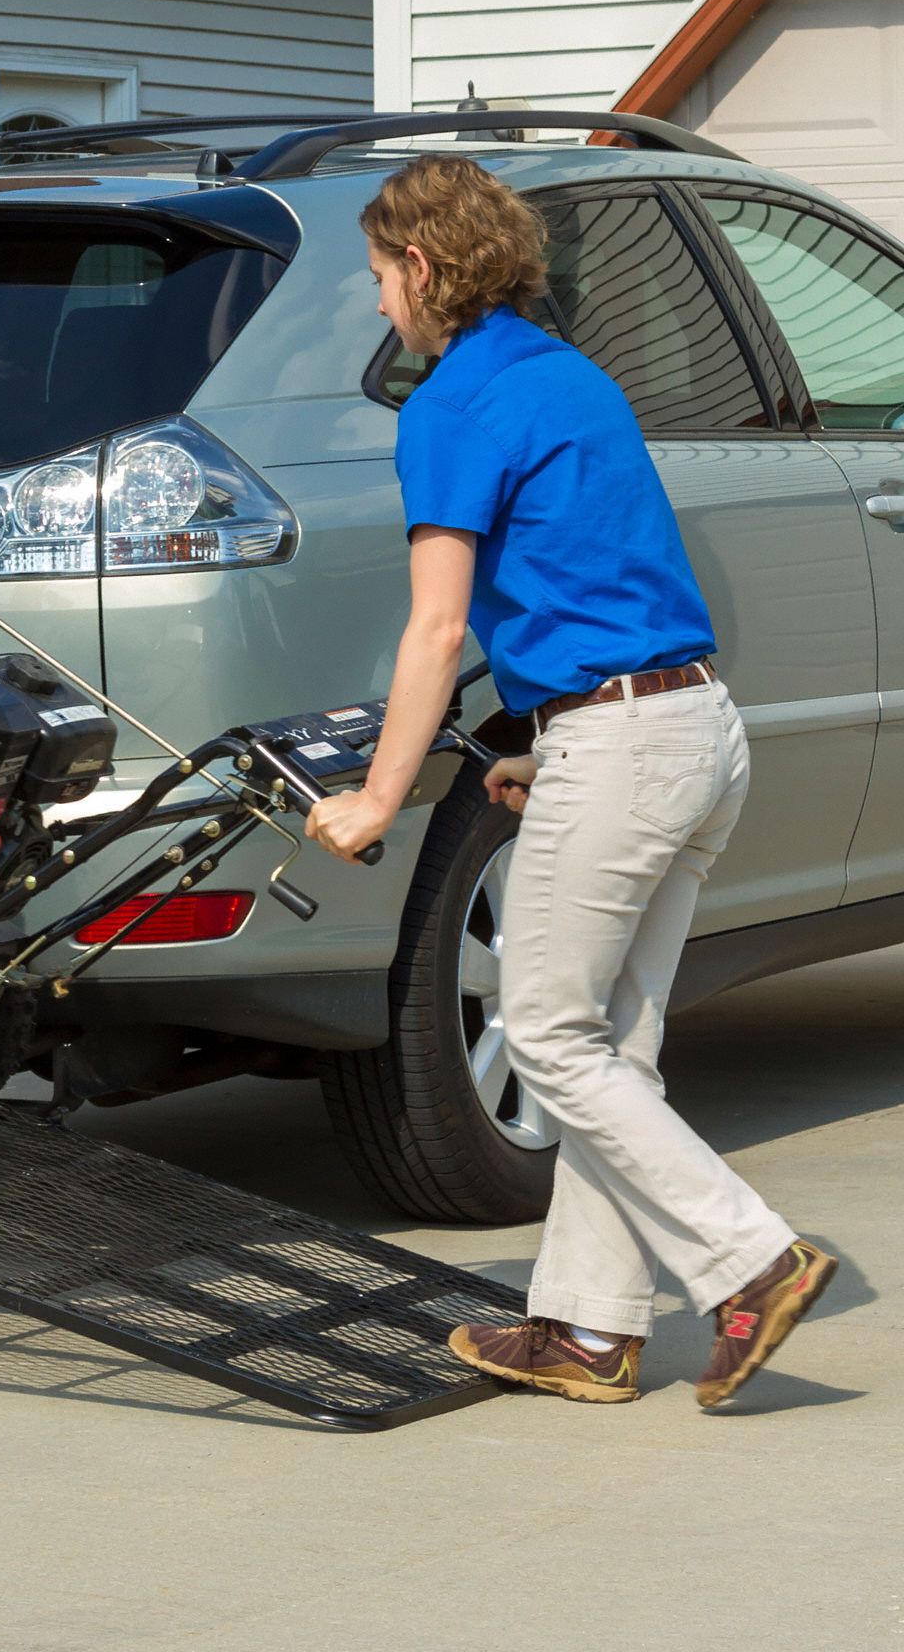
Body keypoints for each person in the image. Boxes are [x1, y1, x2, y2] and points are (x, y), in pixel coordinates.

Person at [304, 153, 836, 1409]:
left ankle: (749, 1257)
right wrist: (557, 748)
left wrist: (378, 798)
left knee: (545, 1033)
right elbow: (605, 580)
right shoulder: (568, 374)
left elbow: (436, 630)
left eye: (379, 278)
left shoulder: (449, 404)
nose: (378, 303)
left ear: (422, 269)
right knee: (611, 1050)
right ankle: (589, 1329)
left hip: (624, 748)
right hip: (690, 728)